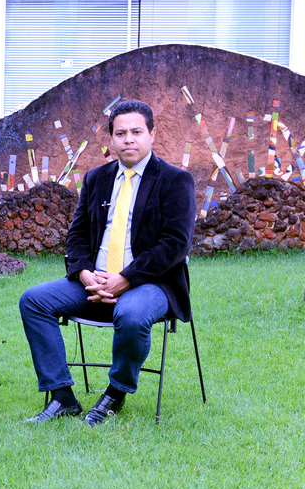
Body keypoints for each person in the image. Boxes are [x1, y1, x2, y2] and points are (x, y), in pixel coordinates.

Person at [19, 100, 196, 426]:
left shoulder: (175, 180)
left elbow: (175, 244)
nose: (129, 139)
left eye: (136, 132)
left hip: (151, 283)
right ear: (111, 139)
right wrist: (85, 274)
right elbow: (77, 235)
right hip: (94, 282)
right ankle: (62, 397)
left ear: (152, 134)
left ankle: (116, 393)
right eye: (121, 133)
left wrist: (125, 279)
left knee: (132, 315)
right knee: (34, 300)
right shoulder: (95, 178)